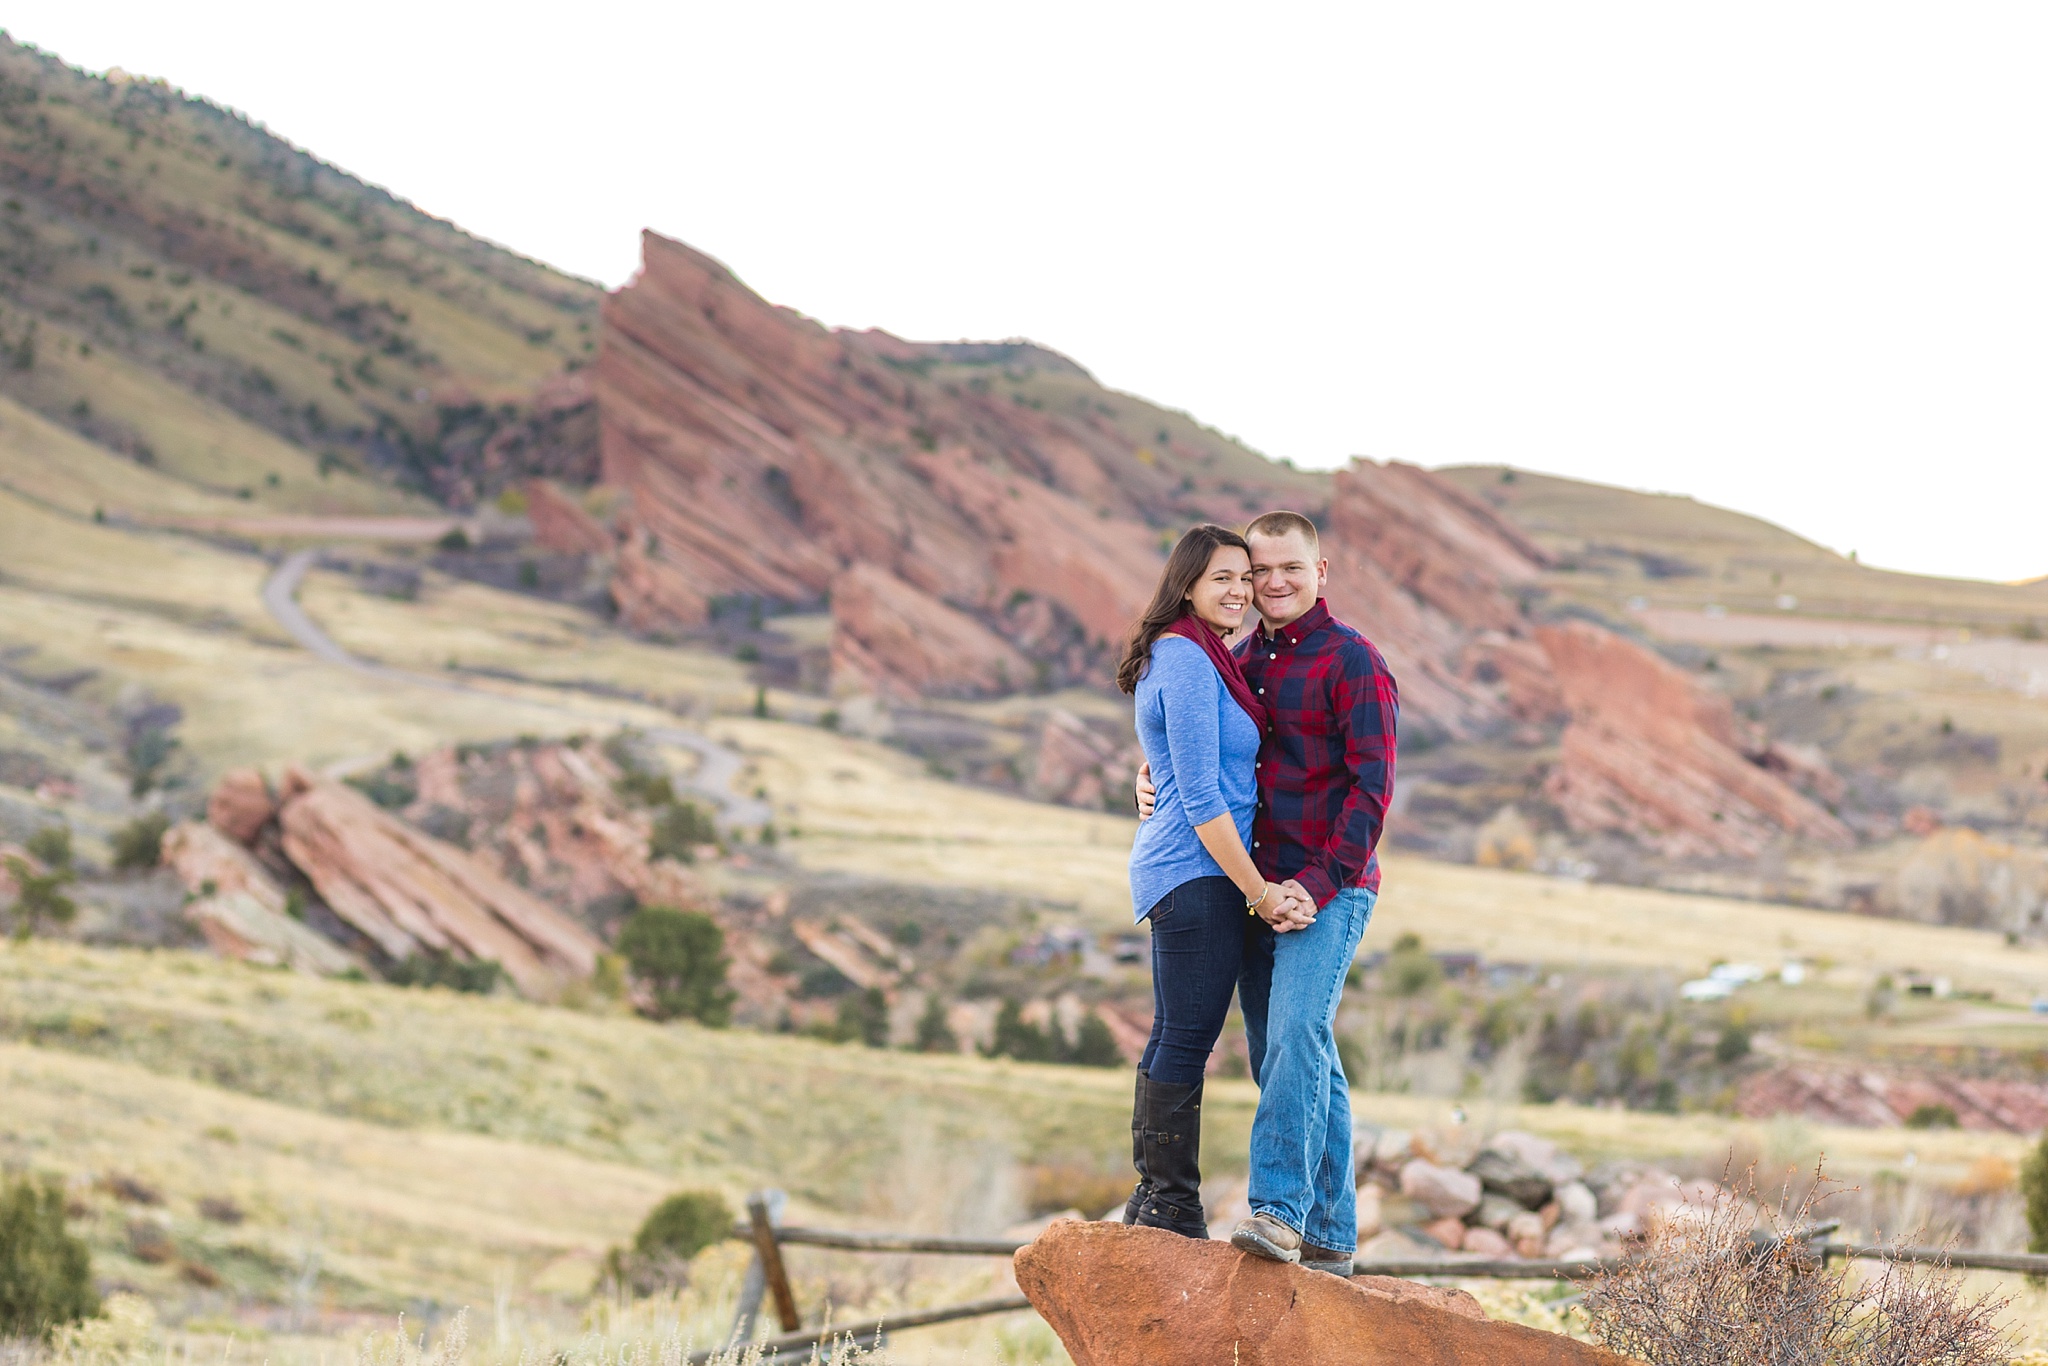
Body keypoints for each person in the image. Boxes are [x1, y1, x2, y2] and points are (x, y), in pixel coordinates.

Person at [1135, 510, 1398, 1275]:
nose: (1270, 583)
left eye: (1289, 568)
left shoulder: (1355, 661)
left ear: (1322, 573)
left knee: (1293, 1040)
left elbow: (1373, 794)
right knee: (1295, 1053)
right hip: (1252, 888)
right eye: (1258, 570)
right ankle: (1333, 1237)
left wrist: (1312, 888)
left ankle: (1279, 1213)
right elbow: (1193, 740)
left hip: (1326, 886)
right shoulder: (1236, 658)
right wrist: (1149, 775)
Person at [1115, 523, 1315, 1240]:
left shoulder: (1202, 655)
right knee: (1185, 1035)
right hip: (1197, 871)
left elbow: (1178, 764)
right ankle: (1169, 1201)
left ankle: (1153, 1202)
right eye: (1222, 579)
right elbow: (1200, 796)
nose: (1238, 591)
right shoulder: (1187, 658)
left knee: (1178, 1031)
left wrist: (1147, 777)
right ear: (1188, 585)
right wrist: (1260, 892)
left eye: (1244, 578)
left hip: (1200, 868)